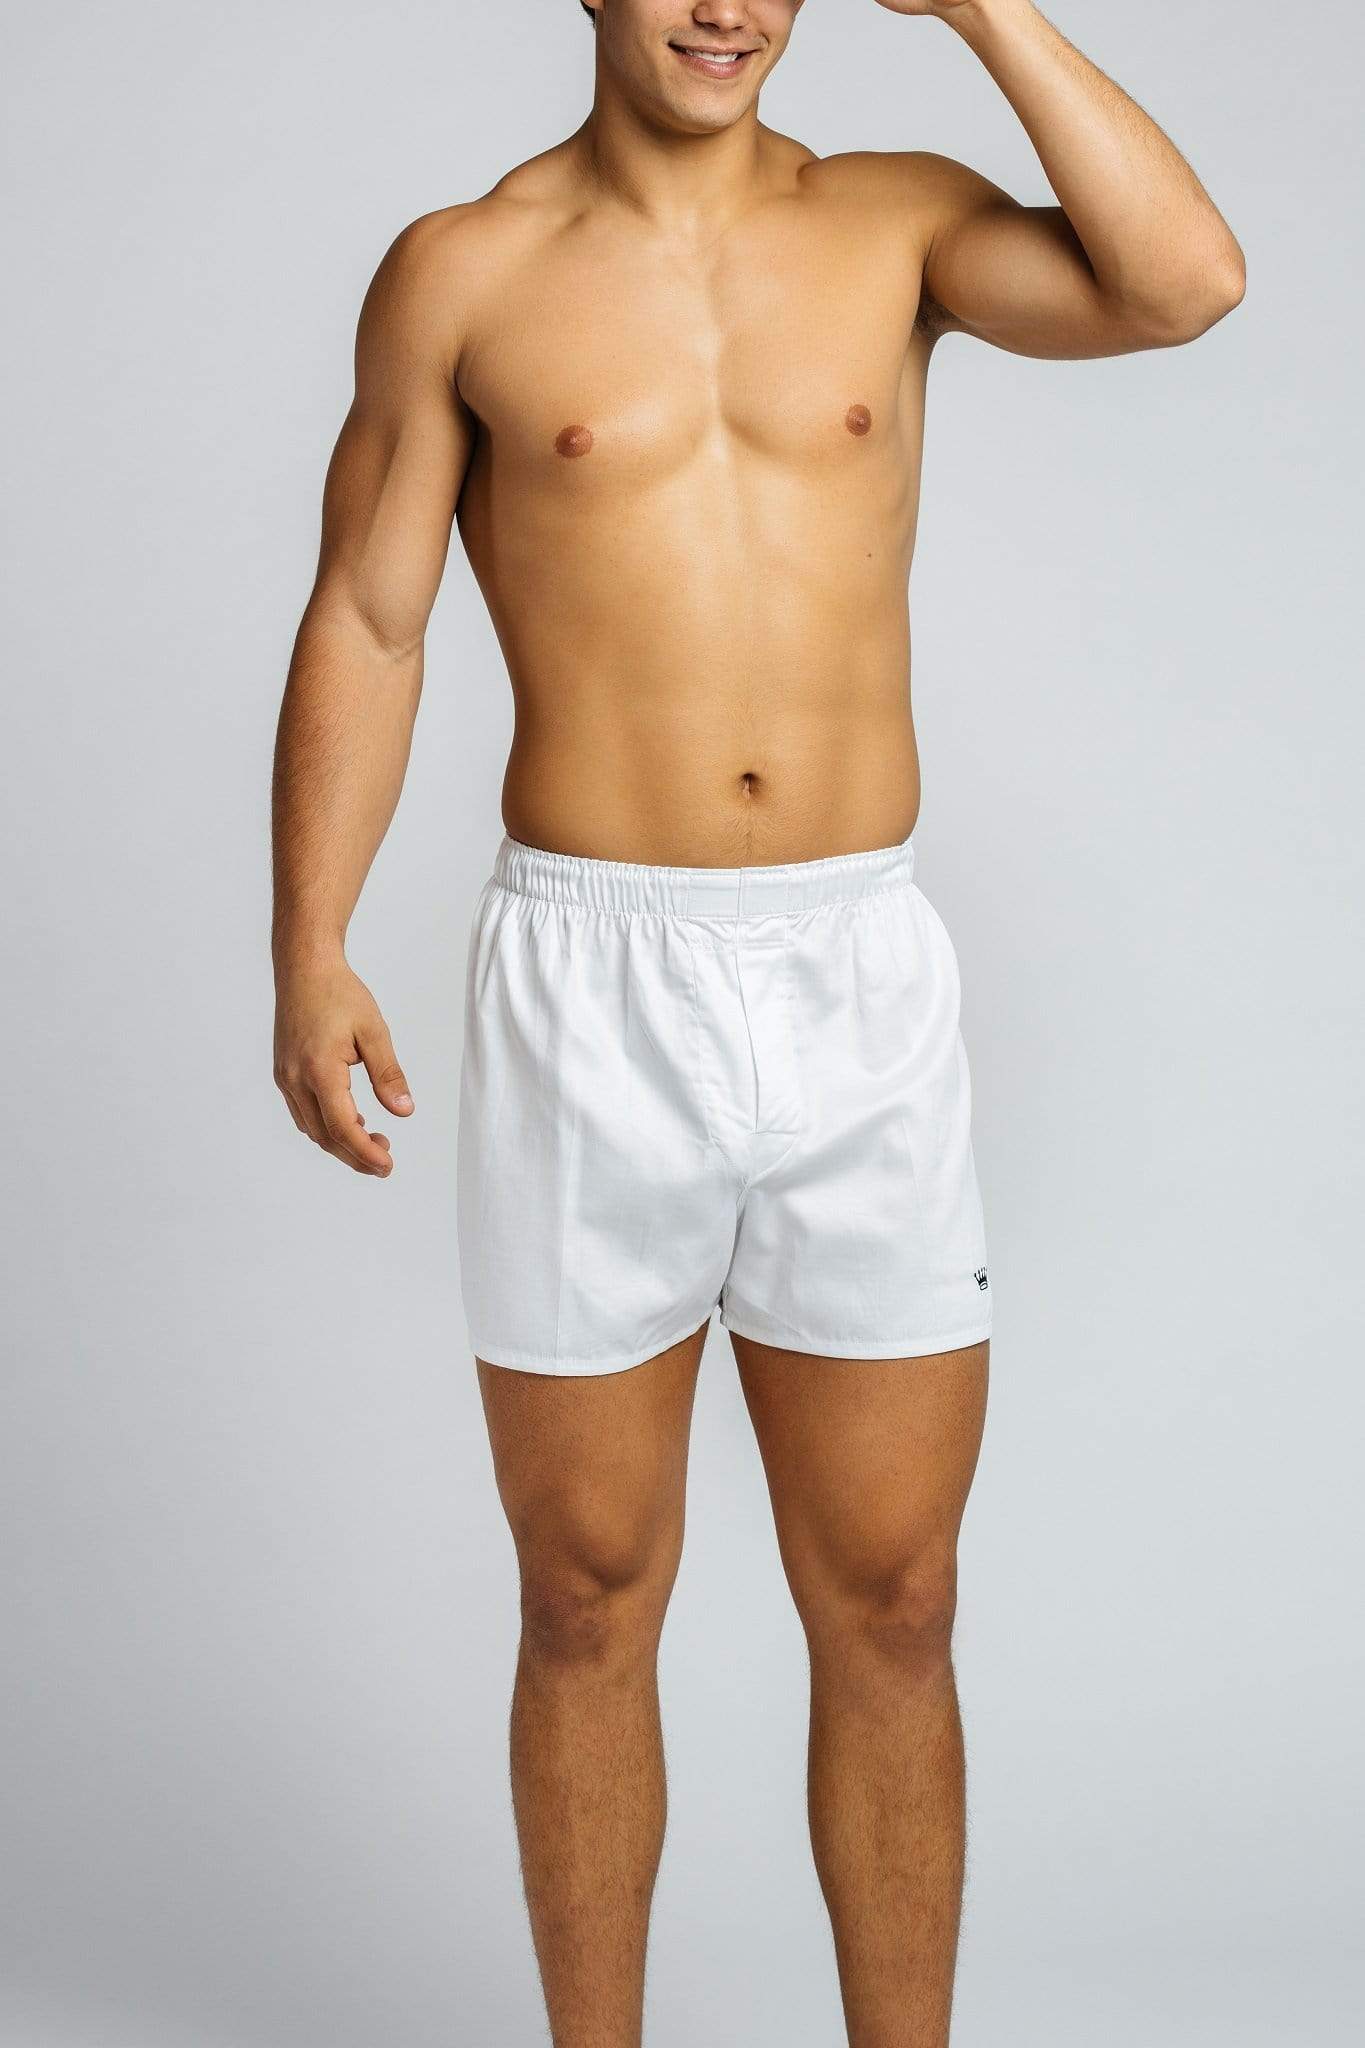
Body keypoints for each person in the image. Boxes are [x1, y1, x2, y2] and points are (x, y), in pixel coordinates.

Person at [270, 3, 1243, 2040]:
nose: (725, 6)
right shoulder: (465, 268)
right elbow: (371, 607)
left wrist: (981, 8)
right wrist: (311, 941)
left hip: (850, 971)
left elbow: (1180, 284)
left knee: (893, 1598)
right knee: (582, 1593)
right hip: (587, 977)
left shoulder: (892, 225)